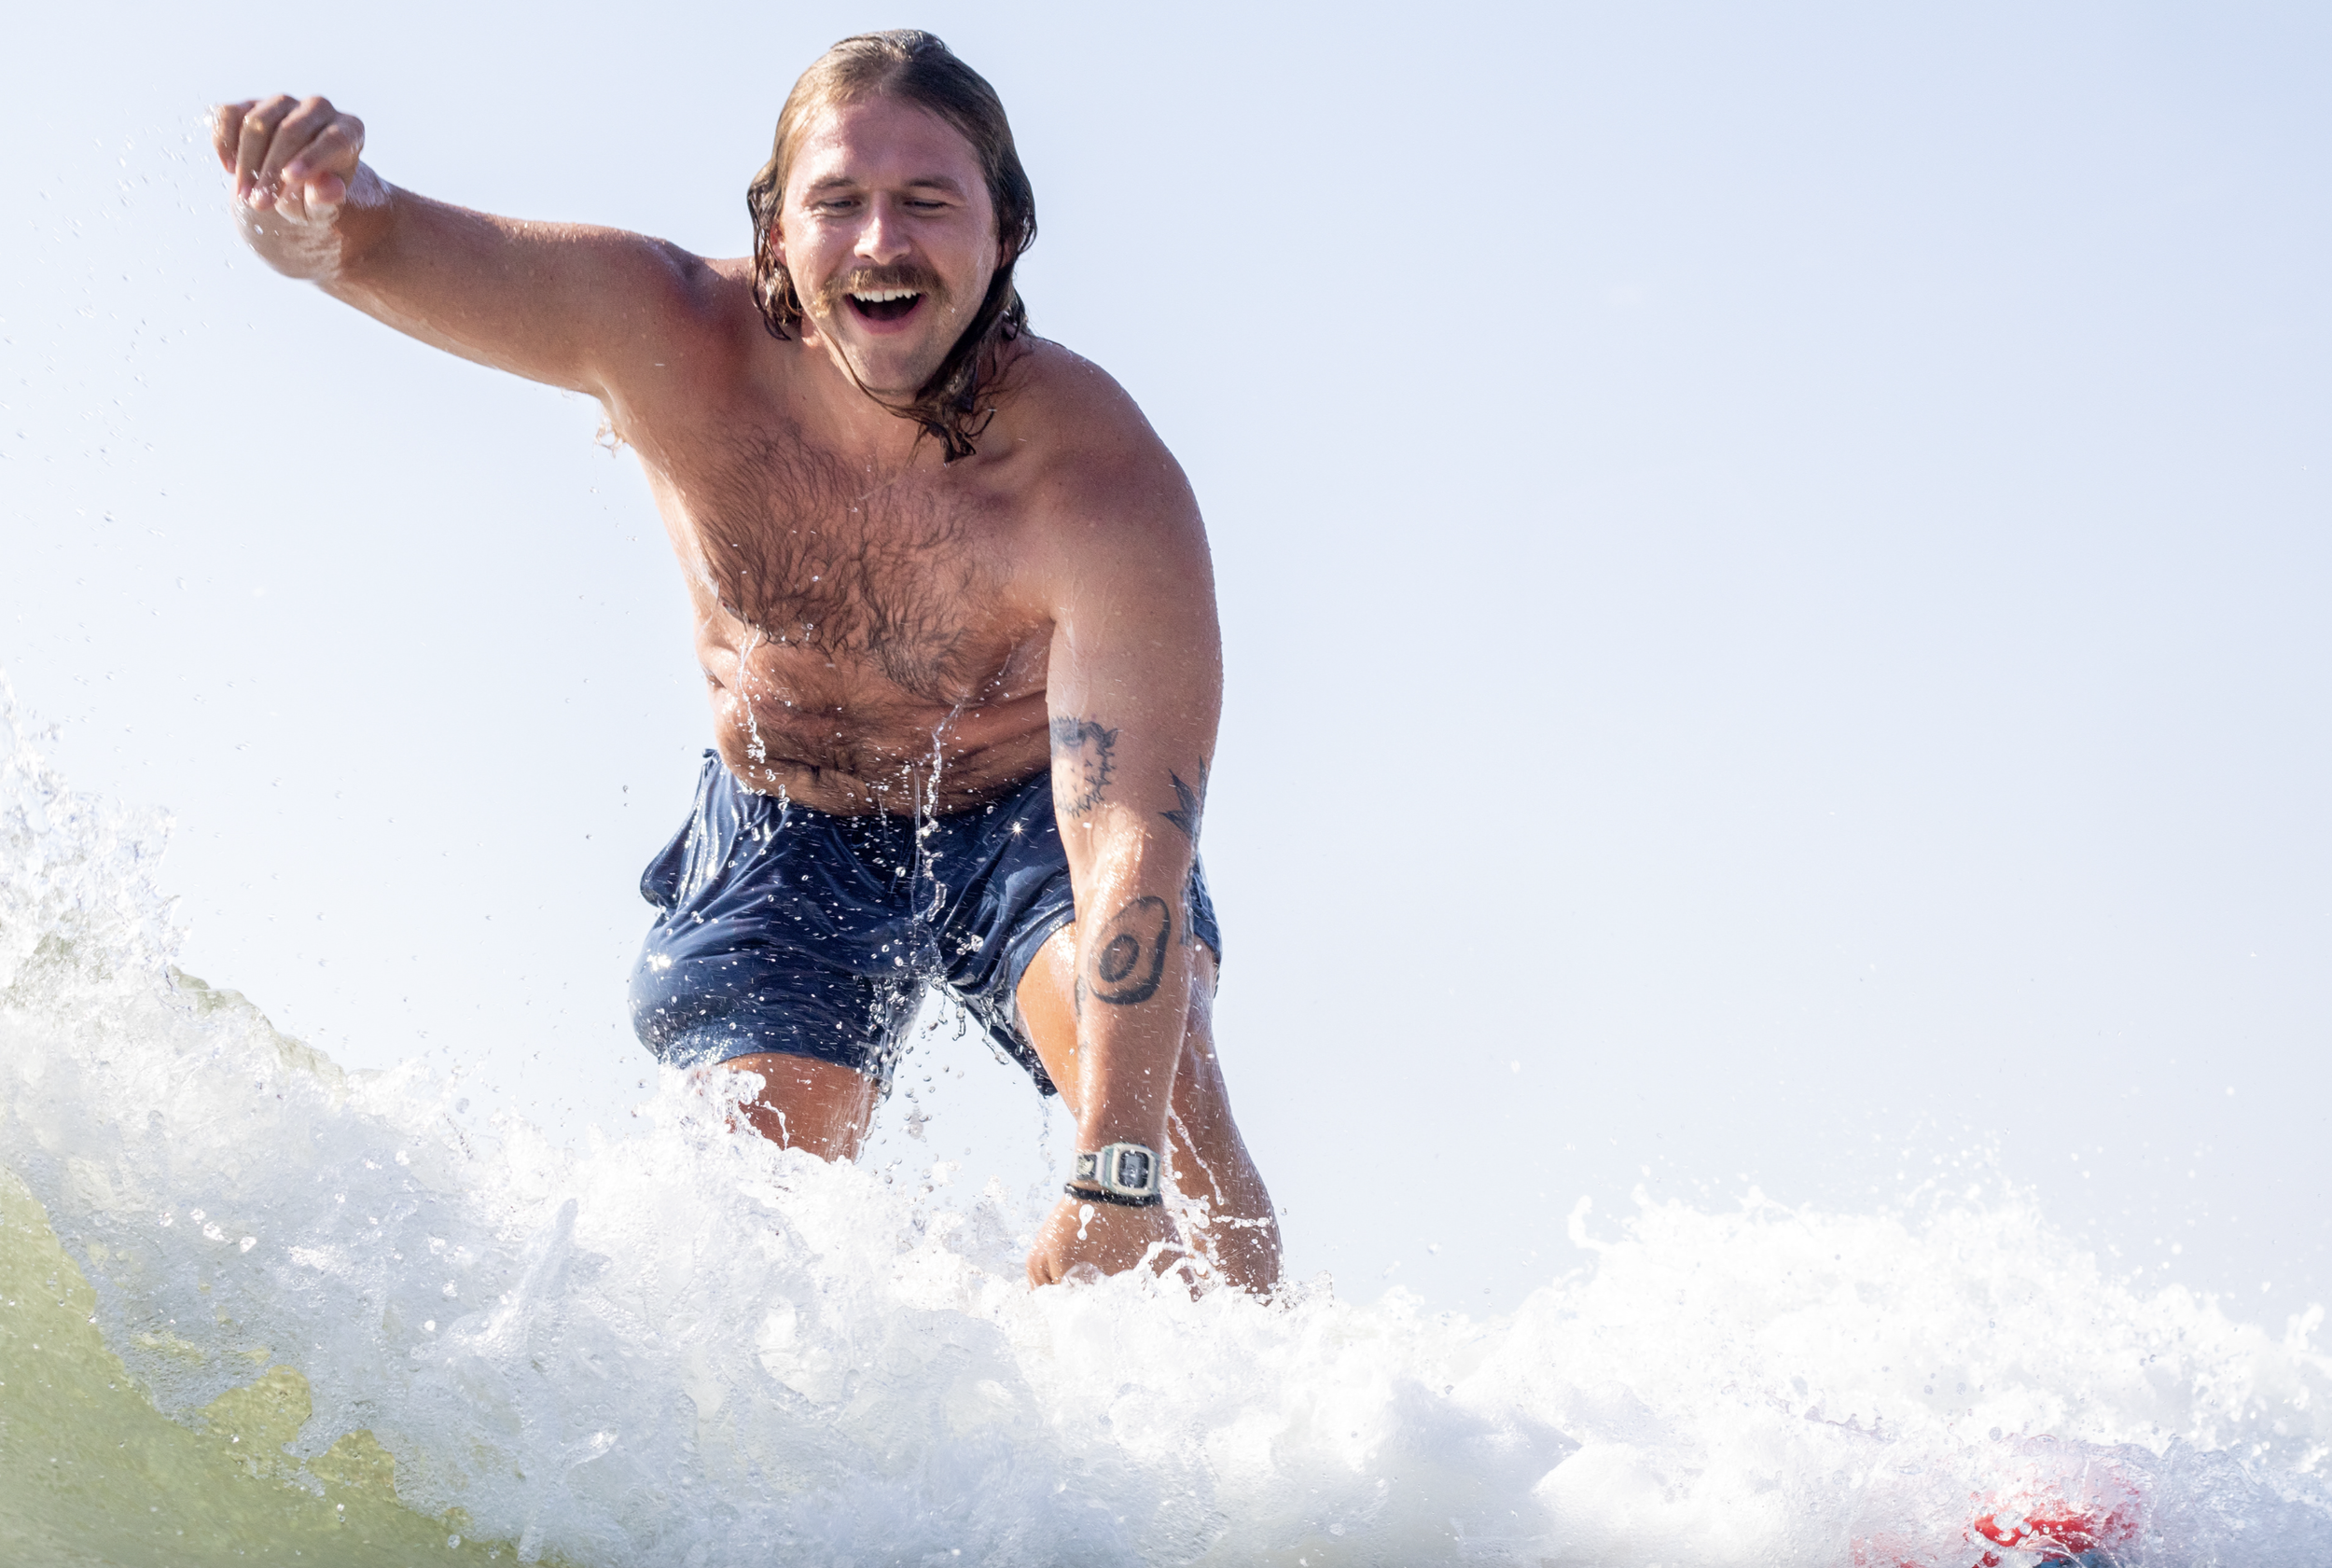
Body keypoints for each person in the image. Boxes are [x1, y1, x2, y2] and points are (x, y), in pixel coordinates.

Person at [213, 30, 1280, 1294]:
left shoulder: (1100, 487)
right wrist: (304, 217)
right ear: (776, 235)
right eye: (839, 202)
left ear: (1007, 234)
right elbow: (372, 237)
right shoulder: (664, 333)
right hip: (787, 829)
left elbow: (1129, 843)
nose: (881, 238)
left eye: (928, 202)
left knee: (1167, 1109)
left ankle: (1274, 1446)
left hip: (1024, 830)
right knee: (743, 1231)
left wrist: (1113, 1173)